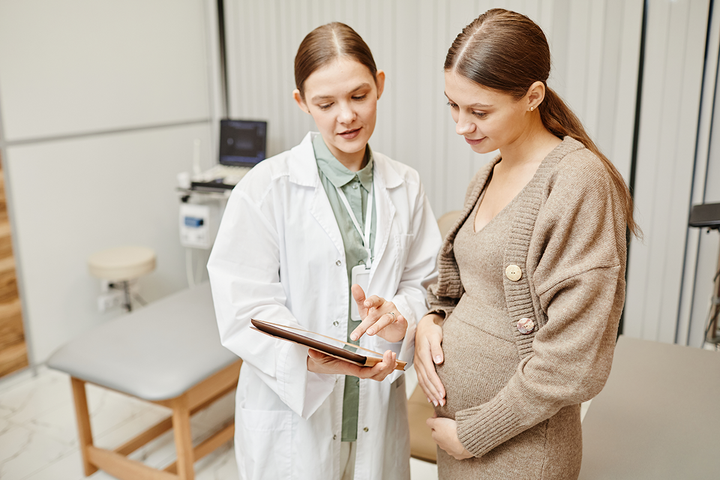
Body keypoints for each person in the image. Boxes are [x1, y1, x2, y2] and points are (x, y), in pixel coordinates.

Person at [207, 22, 442, 480]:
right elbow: (242, 304)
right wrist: (308, 357)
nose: (346, 117)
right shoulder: (266, 188)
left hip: (375, 406)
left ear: (380, 85)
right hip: (295, 411)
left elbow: (424, 282)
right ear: (302, 103)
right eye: (325, 103)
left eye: (359, 96)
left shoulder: (406, 185)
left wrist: (400, 317)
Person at [413, 8, 640, 479]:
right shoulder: (488, 174)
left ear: (533, 95)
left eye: (479, 111)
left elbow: (572, 359)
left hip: (518, 450)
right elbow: (468, 288)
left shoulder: (578, 182)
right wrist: (431, 320)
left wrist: (474, 434)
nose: (461, 126)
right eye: (452, 105)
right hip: (458, 437)